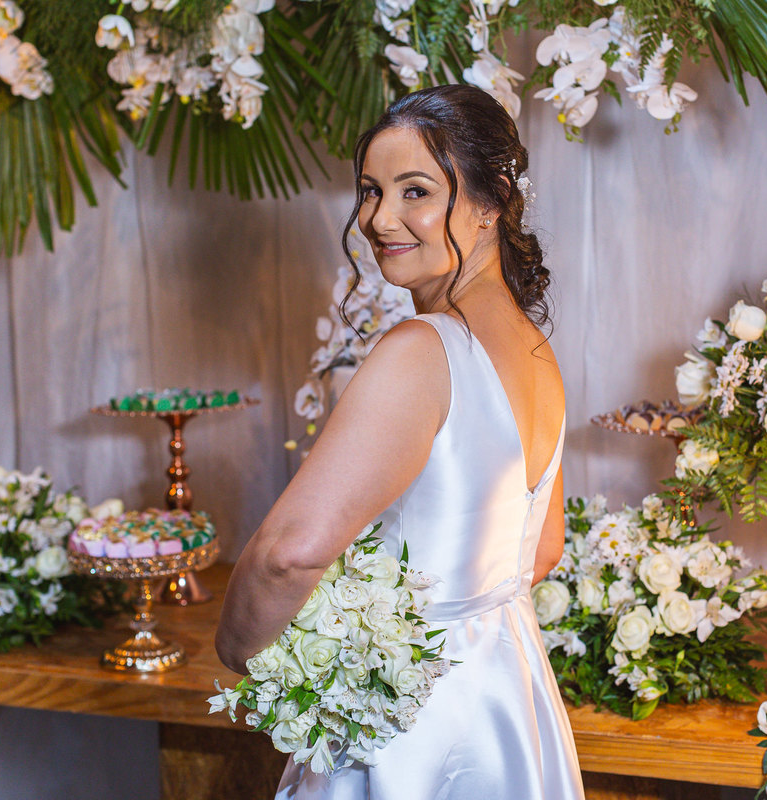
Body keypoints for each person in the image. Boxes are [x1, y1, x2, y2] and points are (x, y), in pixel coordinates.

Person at [215, 84, 583, 800]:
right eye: (370, 191)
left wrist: (236, 648)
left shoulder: (422, 348)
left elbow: (289, 554)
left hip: (411, 721)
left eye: (415, 191)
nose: (380, 218)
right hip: (509, 706)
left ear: (492, 200)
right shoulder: (535, 351)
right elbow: (542, 550)